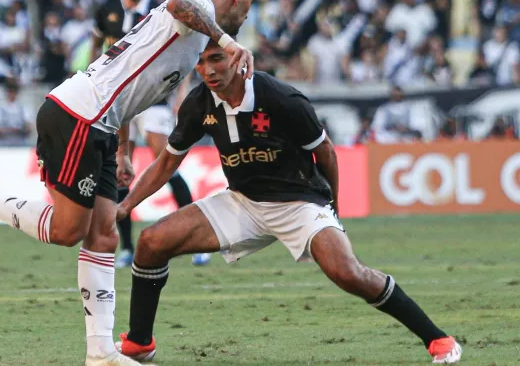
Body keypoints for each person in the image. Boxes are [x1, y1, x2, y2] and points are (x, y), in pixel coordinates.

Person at [0, 0, 260, 366]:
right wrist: (227, 40)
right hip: (78, 114)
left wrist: (122, 148)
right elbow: (177, 3)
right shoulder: (198, 6)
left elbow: (130, 86)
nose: (248, 11)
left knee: (104, 235)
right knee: (68, 231)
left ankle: (100, 353)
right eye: (250, 2)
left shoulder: (192, 41)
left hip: (100, 124)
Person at [113, 41, 462, 364]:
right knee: (150, 243)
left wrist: (332, 208)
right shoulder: (198, 104)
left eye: (217, 59)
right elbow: (167, 163)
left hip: (300, 201)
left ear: (236, 57)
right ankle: (140, 343)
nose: (209, 71)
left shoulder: (281, 97)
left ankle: (437, 338)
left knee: (348, 273)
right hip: (243, 202)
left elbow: (325, 152)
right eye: (201, 64)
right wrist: (126, 205)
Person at [90, 0, 203, 268]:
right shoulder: (108, 9)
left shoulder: (165, 10)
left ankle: (196, 239)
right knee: (120, 169)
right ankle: (126, 247)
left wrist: (182, 91)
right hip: (118, 102)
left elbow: (187, 51)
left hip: (154, 100)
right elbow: (97, 43)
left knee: (165, 162)